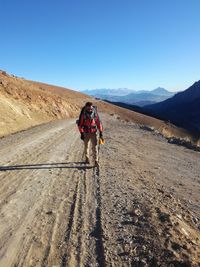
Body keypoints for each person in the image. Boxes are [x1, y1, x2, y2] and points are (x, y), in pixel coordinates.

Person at [78, 102, 103, 166]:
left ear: (92, 108)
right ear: (86, 108)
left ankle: (96, 161)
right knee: (86, 146)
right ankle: (87, 158)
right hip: (86, 133)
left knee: (95, 147)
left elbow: (98, 123)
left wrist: (101, 133)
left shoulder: (95, 114)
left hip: (94, 132)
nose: (90, 110)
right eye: (88, 109)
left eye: (91, 109)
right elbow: (80, 125)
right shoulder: (83, 115)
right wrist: (82, 133)